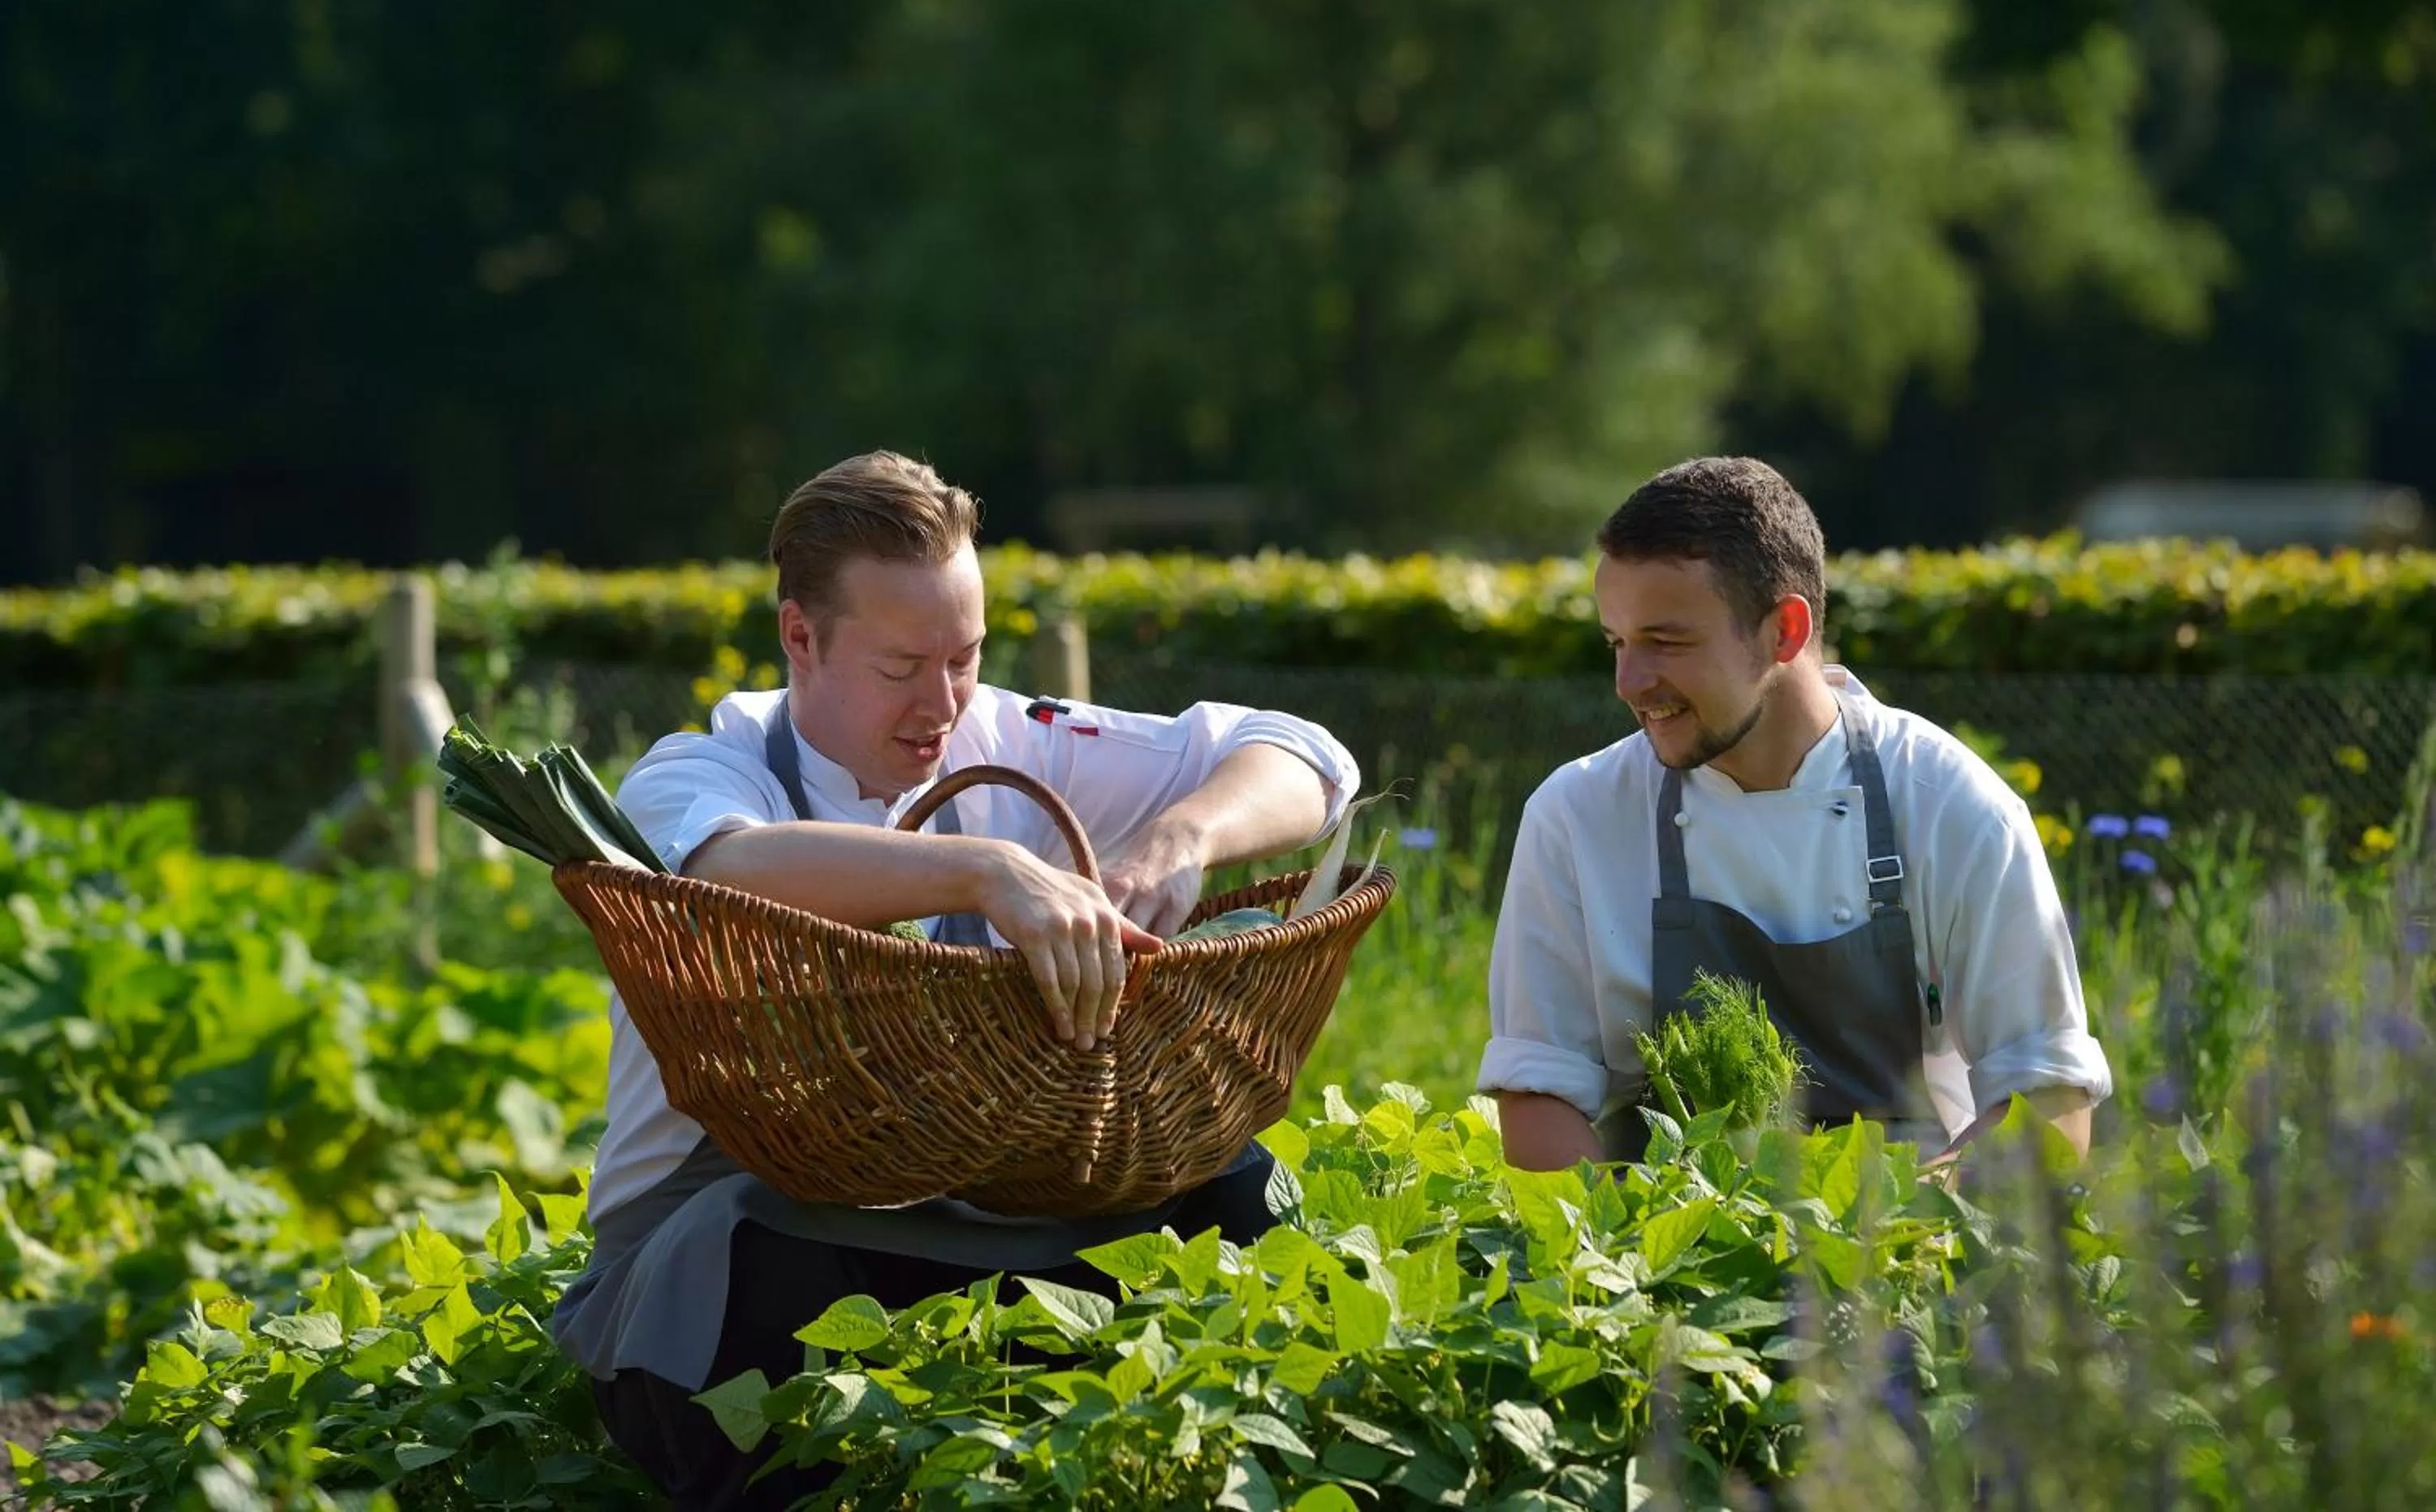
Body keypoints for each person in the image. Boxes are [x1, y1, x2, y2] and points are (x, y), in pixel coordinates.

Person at [554, 451, 1361, 1508]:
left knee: (1240, 1191)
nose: (941, 705)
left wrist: (1178, 840)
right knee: (757, 1256)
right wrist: (985, 872)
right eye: (902, 668)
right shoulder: (699, 772)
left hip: (983, 1203)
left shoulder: (1010, 740)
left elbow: (1306, 756)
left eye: (966, 657)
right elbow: (720, 873)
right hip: (728, 1235)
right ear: (800, 635)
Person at [1476, 456, 2113, 1173]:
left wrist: (1890, 1238)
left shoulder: (1953, 806)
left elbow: (2049, 1100)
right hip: (1654, 1236)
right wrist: (1629, 1248)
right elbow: (1538, 1093)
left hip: (1916, 1239)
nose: (1630, 683)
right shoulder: (1576, 815)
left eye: (1667, 642)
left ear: (1784, 630)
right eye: (1617, 643)